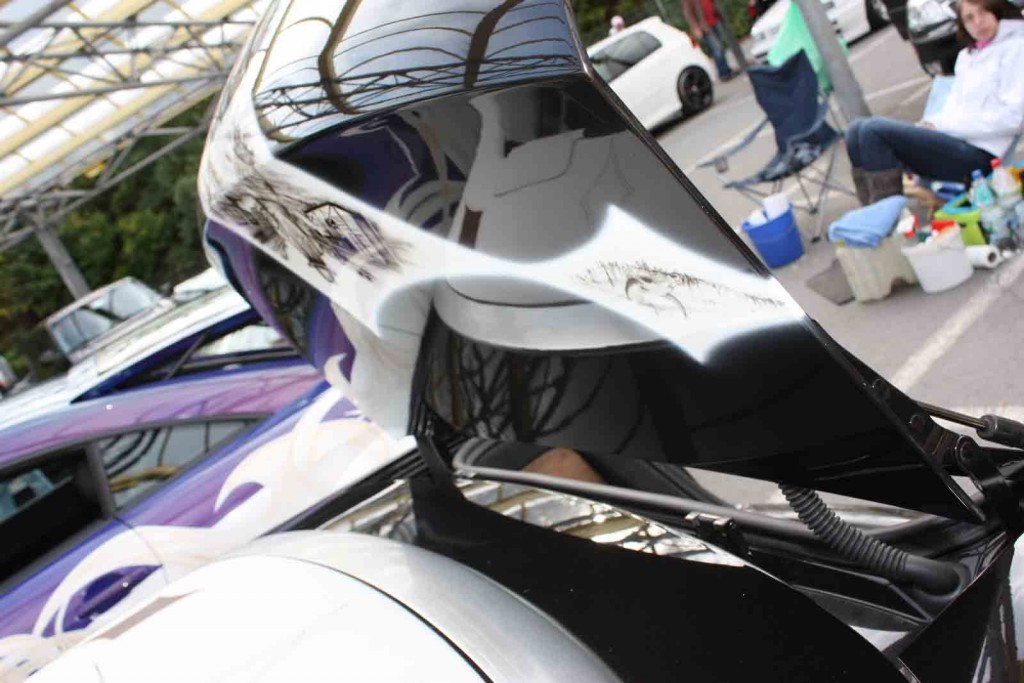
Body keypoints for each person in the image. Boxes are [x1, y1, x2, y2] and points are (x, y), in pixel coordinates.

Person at [846, 0, 1024, 205]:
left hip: (982, 155)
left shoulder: (1016, 48)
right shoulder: (967, 57)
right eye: (969, 18)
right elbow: (954, 107)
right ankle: (871, 211)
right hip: (953, 142)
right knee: (855, 130)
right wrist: (931, 125)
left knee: (873, 131)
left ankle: (885, 215)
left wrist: (944, 127)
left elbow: (1014, 120)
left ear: (997, 11)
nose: (978, 22)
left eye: (983, 13)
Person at [680, 0, 735, 81]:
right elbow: (688, 13)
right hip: (705, 27)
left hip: (714, 20)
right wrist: (696, 27)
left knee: (720, 47)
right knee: (717, 49)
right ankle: (724, 74)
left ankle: (727, 70)